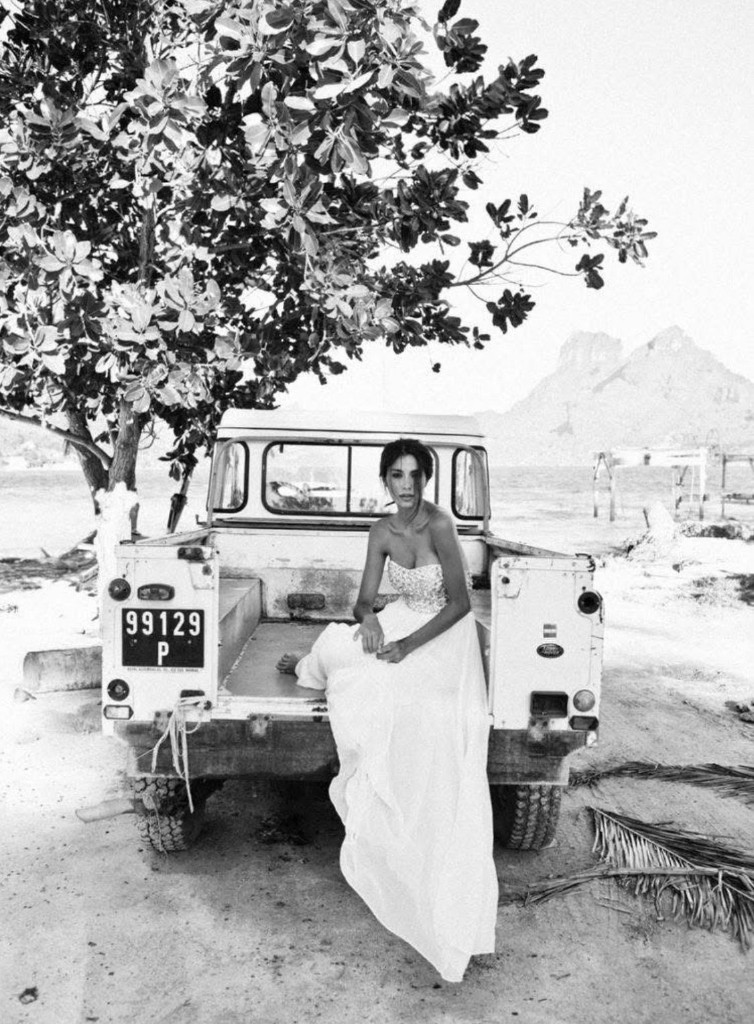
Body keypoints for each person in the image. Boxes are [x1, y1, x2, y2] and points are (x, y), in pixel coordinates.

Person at [276, 438, 498, 982]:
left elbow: (460, 603)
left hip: (443, 635)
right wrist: (371, 622)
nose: (406, 484)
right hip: (398, 620)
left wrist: (408, 645)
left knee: (396, 695)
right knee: (343, 650)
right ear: (386, 481)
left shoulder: (440, 526)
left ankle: (396, 808)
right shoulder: (381, 531)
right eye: (396, 475)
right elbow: (364, 598)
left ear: (426, 479)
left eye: (414, 475)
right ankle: (307, 662)